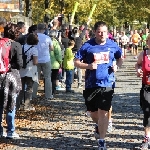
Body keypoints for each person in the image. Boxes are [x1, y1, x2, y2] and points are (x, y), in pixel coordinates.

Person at [74, 21, 123, 149]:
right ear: (95, 32)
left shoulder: (113, 45)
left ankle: (102, 141)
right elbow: (76, 62)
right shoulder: (87, 46)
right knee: (92, 112)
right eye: (99, 32)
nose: (102, 34)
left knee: (103, 111)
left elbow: (120, 57)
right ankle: (100, 124)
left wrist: (117, 66)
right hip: (91, 83)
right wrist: (88, 66)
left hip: (107, 82)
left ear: (108, 33)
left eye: (104, 32)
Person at [0, 18, 23, 139]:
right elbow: (19, 64)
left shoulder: (0, 42)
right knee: (11, 103)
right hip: (11, 76)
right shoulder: (16, 45)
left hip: (0, 76)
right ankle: (10, 131)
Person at [135, 34, 150, 149]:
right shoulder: (144, 54)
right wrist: (138, 70)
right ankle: (147, 138)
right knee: (147, 113)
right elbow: (138, 64)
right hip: (147, 88)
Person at [32, 23, 54, 100]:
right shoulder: (47, 38)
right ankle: (48, 95)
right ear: (44, 29)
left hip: (36, 59)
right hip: (46, 59)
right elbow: (52, 48)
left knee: (35, 78)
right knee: (47, 77)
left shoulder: (34, 37)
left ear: (37, 29)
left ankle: (33, 95)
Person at [18, 33, 38, 111]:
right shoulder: (34, 49)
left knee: (21, 88)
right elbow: (35, 62)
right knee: (29, 88)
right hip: (30, 70)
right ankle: (26, 105)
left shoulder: (22, 47)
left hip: (22, 70)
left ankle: (18, 104)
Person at [49, 30, 63, 96]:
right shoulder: (55, 42)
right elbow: (58, 53)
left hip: (47, 62)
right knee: (54, 78)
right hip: (54, 63)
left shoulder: (46, 41)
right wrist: (60, 62)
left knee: (47, 77)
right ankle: (53, 91)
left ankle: (47, 90)